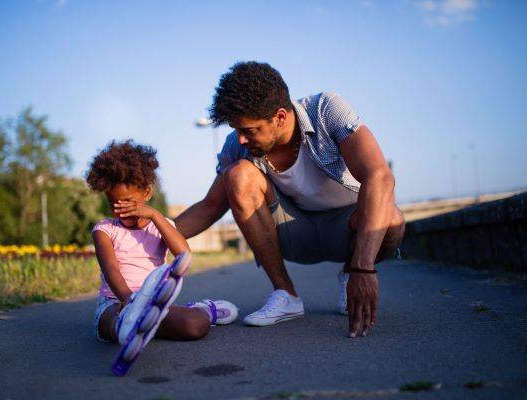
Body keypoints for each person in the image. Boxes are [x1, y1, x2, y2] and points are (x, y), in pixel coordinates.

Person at [175, 62, 405, 338]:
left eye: (249, 130)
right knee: (237, 175)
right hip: (294, 233)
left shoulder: (326, 110)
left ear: (280, 117)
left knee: (391, 219)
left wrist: (362, 268)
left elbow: (380, 176)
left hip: (347, 230)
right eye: (237, 130)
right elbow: (211, 206)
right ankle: (285, 295)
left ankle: (348, 276)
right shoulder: (237, 146)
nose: (241, 139)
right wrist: (150, 231)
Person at [86, 140, 238, 345]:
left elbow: (184, 257)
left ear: (146, 193)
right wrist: (128, 300)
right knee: (109, 324)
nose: (120, 210)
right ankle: (125, 328)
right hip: (116, 302)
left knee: (194, 325)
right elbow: (111, 268)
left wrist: (155, 216)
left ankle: (203, 310)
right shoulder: (104, 230)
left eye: (128, 202)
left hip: (152, 305)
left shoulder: (160, 225)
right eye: (113, 204)